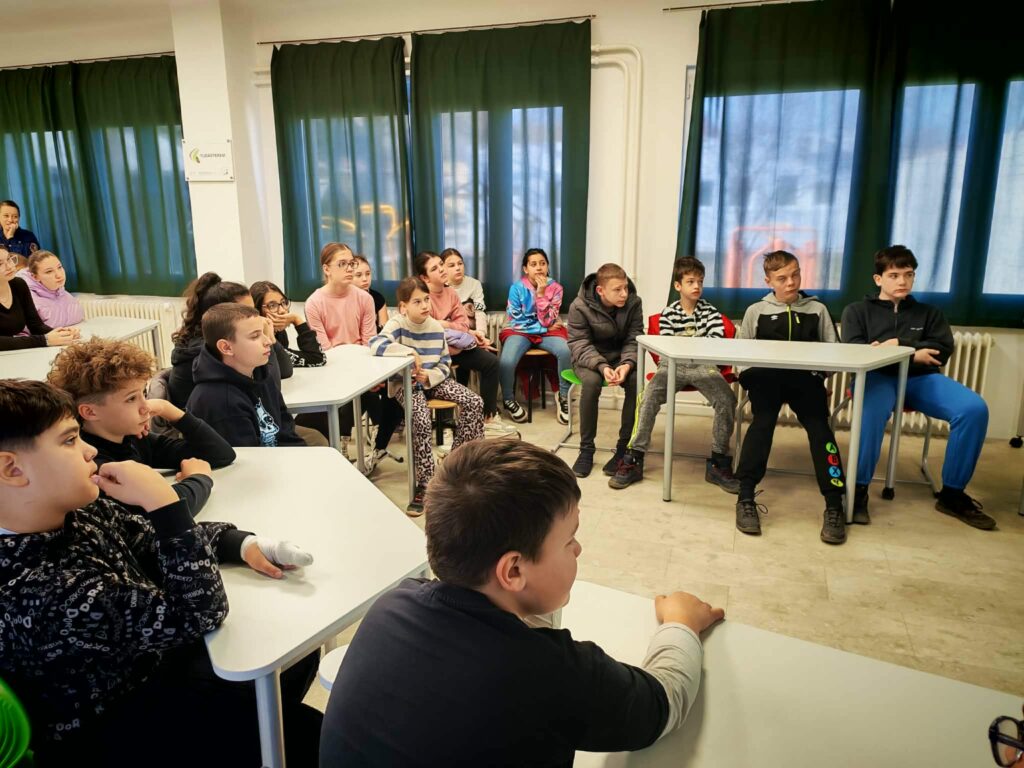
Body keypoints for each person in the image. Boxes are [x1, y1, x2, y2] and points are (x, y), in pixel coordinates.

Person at [319, 439, 725, 766]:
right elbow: (661, 706)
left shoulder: (391, 606)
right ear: (512, 571)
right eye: (569, 540)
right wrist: (681, 623)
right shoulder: (549, 671)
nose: (579, 549)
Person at [0, 379, 321, 767]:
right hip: (124, 728)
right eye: (69, 440)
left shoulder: (74, 514)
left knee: (295, 657)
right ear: (12, 468)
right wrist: (165, 503)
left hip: (154, 672)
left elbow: (151, 540)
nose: (89, 450)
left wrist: (240, 544)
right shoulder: (39, 591)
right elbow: (198, 612)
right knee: (306, 722)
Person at [840, 245, 996, 530]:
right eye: (894, 275)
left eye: (908, 274)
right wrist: (913, 352)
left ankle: (952, 495)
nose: (902, 281)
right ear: (878, 279)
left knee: (974, 409)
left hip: (920, 380)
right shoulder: (857, 312)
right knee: (871, 413)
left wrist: (898, 346)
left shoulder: (929, 314)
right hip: (876, 378)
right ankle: (857, 490)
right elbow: (854, 352)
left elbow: (940, 352)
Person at [46, 337, 236, 518]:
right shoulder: (91, 465)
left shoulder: (132, 438)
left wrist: (168, 409)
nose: (145, 407)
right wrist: (198, 478)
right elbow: (161, 511)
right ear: (90, 412)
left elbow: (220, 454)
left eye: (143, 393)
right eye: (131, 399)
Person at [734, 250, 849, 545]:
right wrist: (752, 379)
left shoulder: (817, 309)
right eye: (782, 278)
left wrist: (819, 376)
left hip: (804, 382)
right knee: (762, 424)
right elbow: (740, 356)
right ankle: (745, 496)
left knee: (820, 429)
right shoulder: (756, 311)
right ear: (768, 281)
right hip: (767, 381)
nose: (791, 282)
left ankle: (834, 502)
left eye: (795, 274)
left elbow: (834, 352)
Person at [610, 256, 739, 493]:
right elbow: (669, 348)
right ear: (678, 285)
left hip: (704, 366)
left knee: (727, 399)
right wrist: (693, 346)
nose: (697, 286)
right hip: (672, 366)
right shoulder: (669, 314)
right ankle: (635, 456)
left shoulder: (710, 312)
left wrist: (692, 349)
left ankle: (719, 460)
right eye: (691, 281)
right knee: (647, 398)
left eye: (700, 281)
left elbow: (715, 342)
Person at [369, 278, 485, 514]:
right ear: (404, 306)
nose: (424, 306)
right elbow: (376, 344)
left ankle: (456, 465)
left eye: (426, 300)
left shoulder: (435, 327)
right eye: (417, 302)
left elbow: (445, 363)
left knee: (475, 402)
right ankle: (425, 483)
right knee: (420, 418)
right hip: (405, 384)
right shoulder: (397, 323)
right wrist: (409, 353)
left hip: (433, 380)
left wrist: (429, 376)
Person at [304, 243, 402, 466]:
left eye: (351, 263)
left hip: (362, 364)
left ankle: (378, 446)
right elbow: (325, 350)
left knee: (396, 392)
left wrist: (370, 375)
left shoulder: (364, 298)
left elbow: (369, 341)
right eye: (342, 264)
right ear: (327, 269)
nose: (349, 269)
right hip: (333, 369)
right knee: (348, 396)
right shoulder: (314, 303)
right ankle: (342, 446)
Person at [415, 250, 516, 437]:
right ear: (424, 277)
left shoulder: (451, 293)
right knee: (444, 375)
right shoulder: (422, 297)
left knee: (491, 362)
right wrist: (450, 328)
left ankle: (488, 418)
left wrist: (446, 324)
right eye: (435, 268)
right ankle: (446, 426)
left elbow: (462, 325)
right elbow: (430, 331)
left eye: (441, 265)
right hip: (435, 352)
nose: (442, 270)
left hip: (456, 346)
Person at [186, 302, 307, 448]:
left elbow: (285, 426)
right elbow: (245, 459)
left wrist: (300, 454)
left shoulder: (259, 373)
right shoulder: (219, 401)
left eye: (263, 332)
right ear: (226, 347)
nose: (268, 341)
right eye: (255, 336)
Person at [566, 263, 644, 478]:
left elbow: (635, 338)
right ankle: (586, 450)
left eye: (625, 287)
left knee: (636, 381)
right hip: (588, 359)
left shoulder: (634, 302)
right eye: (617, 289)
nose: (624, 293)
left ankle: (623, 448)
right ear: (600, 290)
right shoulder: (579, 306)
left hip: (621, 357)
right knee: (591, 383)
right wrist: (602, 366)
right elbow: (579, 343)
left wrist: (626, 364)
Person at [498, 248, 573, 425]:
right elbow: (517, 321)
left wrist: (541, 294)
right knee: (507, 360)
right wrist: (542, 327)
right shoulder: (516, 288)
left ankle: (564, 397)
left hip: (548, 331)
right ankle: (508, 399)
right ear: (526, 269)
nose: (539, 268)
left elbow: (549, 319)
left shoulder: (556, 288)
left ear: (547, 267)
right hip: (520, 331)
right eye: (533, 264)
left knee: (565, 351)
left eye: (542, 263)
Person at [0, 246, 79, 351]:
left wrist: (60, 334)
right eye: (0, 264)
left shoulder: (18, 284)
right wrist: (45, 340)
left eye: (9, 259)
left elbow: (35, 325)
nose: (9, 266)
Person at [250, 279, 326, 368]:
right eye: (272, 305)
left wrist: (296, 319)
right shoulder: (257, 343)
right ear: (257, 311)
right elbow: (317, 358)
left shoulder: (279, 333)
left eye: (283, 302)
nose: (282, 310)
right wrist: (297, 321)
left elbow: (317, 358)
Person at [16, 250, 84, 328]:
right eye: (49, 271)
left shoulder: (63, 293)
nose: (59, 275)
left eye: (59, 267)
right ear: (35, 277)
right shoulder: (28, 299)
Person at [442, 246, 487, 332]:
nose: (458, 268)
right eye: (452, 265)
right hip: (449, 332)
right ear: (442, 269)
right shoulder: (440, 286)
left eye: (460, 263)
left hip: (471, 330)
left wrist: (481, 332)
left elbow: (480, 312)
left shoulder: (474, 284)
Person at [351, 254, 390, 331]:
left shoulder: (378, 298)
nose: (365, 279)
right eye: (358, 275)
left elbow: (385, 331)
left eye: (368, 274)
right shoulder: (344, 300)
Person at [0, 200, 40, 264]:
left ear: (19, 218)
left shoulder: (28, 236)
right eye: (6, 216)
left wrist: (11, 237)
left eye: (15, 216)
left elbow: (24, 263)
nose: (10, 220)